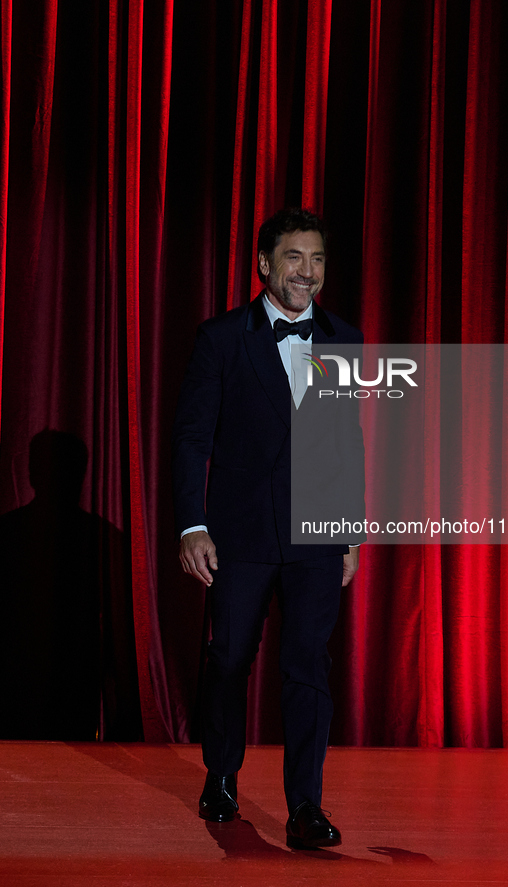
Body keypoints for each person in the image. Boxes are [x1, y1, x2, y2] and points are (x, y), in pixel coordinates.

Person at [172, 208, 363, 849]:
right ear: (264, 265)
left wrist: (350, 531)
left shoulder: (346, 339)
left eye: (317, 260)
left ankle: (306, 805)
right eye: (293, 259)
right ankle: (222, 775)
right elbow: (192, 437)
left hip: (315, 537)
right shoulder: (222, 337)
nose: (306, 273)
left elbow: (347, 441)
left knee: (307, 664)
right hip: (239, 534)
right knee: (228, 658)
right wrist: (192, 524)